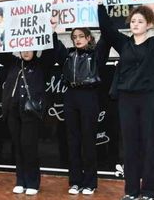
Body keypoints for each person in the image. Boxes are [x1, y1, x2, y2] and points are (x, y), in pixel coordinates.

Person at [98, 0, 154, 200]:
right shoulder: (123, 43)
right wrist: (100, 0)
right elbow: (107, 28)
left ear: (148, 24)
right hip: (127, 98)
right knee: (130, 146)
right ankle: (131, 191)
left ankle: (149, 192)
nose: (136, 24)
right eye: (133, 21)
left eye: (140, 21)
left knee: (150, 145)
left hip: (150, 99)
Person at [0, 19, 56, 196]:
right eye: (23, 48)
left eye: (29, 48)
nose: (26, 52)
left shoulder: (41, 65)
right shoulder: (13, 63)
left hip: (30, 114)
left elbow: (52, 51)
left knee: (29, 146)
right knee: (17, 146)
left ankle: (33, 181)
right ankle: (20, 180)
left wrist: (52, 30)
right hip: (12, 111)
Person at [53, 26, 109, 195]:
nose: (77, 39)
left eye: (81, 36)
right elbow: (55, 45)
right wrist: (52, 28)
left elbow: (107, 38)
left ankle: (90, 183)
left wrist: (102, 12)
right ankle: (75, 181)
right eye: (74, 36)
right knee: (73, 140)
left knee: (88, 140)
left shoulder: (95, 55)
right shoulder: (68, 55)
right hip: (71, 96)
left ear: (89, 38)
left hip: (89, 96)